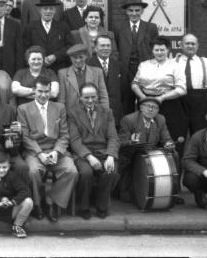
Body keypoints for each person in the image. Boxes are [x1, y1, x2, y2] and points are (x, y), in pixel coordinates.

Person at [17, 76, 77, 223]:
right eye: (40, 91)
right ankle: (37, 204)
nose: (43, 95)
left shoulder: (59, 108)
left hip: (56, 150)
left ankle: (54, 201)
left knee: (72, 171)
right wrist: (40, 154)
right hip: (35, 151)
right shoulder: (23, 109)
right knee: (32, 172)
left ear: (50, 91)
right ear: (33, 91)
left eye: (46, 91)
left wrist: (57, 151)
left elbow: (64, 135)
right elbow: (25, 136)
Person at [68, 83, 119, 219]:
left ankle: (101, 206)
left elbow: (113, 137)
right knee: (86, 173)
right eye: (86, 98)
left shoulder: (107, 112)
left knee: (111, 172)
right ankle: (83, 206)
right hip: (83, 153)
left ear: (97, 96)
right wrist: (89, 157)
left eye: (93, 97)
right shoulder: (73, 113)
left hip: (103, 152)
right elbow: (74, 140)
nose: (90, 101)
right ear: (80, 97)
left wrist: (110, 156)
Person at [131, 37, 187, 156]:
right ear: (152, 51)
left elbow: (182, 89)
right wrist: (142, 97)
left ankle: (174, 168)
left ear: (168, 50)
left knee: (170, 137)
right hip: (146, 103)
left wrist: (162, 98)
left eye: (162, 50)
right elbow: (135, 83)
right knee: (146, 136)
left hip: (169, 105)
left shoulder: (175, 65)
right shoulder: (143, 65)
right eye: (156, 50)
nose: (159, 53)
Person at [117, 97, 178, 204]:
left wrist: (169, 144)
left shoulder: (160, 119)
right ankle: (128, 189)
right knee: (126, 198)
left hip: (150, 153)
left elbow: (166, 139)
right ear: (141, 108)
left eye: (154, 107)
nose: (150, 109)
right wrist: (131, 142)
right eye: (147, 106)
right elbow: (120, 143)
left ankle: (173, 190)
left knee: (175, 155)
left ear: (158, 110)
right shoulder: (129, 120)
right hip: (131, 154)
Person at [174, 33, 207, 135]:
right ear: (181, 45)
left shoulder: (206, 62)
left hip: (200, 102)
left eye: (193, 44)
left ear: (198, 46)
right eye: (187, 43)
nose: (190, 46)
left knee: (200, 134)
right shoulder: (172, 62)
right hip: (178, 102)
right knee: (177, 135)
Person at [115, 0, 159, 115]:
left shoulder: (151, 28)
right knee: (127, 101)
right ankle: (128, 129)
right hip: (126, 69)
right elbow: (116, 49)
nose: (134, 13)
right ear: (126, 11)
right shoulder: (119, 28)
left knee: (145, 99)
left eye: (137, 10)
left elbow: (156, 50)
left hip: (144, 70)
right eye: (131, 10)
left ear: (142, 11)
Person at [22, 0, 73, 72]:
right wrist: (40, 59)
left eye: (51, 8)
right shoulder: (30, 28)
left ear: (55, 10)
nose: (48, 11)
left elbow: (70, 46)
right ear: (39, 10)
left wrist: (56, 56)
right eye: (45, 8)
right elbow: (25, 48)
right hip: (36, 69)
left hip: (59, 69)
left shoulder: (63, 27)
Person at [86, 35, 127, 127]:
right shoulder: (88, 66)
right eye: (102, 45)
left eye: (108, 46)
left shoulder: (119, 65)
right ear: (95, 48)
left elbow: (124, 89)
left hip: (115, 114)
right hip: (95, 112)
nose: (106, 48)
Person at [57, 44, 109, 112]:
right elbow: (61, 100)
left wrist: (105, 115)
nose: (78, 60)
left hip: (94, 114)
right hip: (72, 116)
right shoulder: (62, 73)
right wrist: (62, 119)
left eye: (81, 57)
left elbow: (103, 96)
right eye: (75, 58)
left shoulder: (97, 72)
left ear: (86, 56)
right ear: (70, 58)